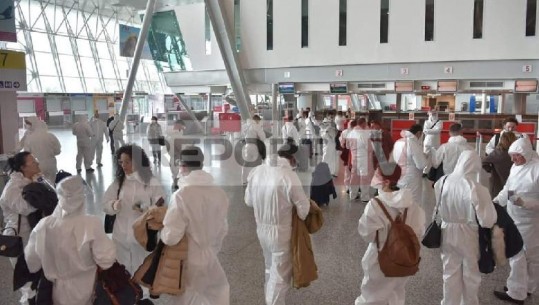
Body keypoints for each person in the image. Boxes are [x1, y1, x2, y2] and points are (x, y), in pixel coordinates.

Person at [24, 176, 116, 305]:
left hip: (57, 290)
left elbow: (32, 263)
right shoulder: (91, 223)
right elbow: (106, 261)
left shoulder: (43, 225)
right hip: (88, 287)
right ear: (82, 198)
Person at [161, 146, 230, 305]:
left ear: (183, 166)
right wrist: (211, 247)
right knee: (214, 294)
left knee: (188, 298)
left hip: (187, 259)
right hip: (210, 254)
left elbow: (171, 237)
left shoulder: (181, 196)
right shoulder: (219, 193)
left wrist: (162, 231)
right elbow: (223, 229)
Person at [245, 144, 310, 305]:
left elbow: (248, 201)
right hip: (282, 233)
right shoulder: (289, 176)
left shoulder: (257, 171)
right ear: (292, 158)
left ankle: (269, 296)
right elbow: (304, 210)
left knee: (269, 267)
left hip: (261, 230)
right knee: (280, 275)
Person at [355, 162, 425, 305]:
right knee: (396, 294)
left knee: (371, 296)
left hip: (379, 259)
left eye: (377, 175)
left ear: (385, 181)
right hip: (404, 260)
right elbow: (419, 231)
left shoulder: (375, 205)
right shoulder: (412, 204)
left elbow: (366, 233)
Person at [434, 150, 497, 305]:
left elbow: (437, 208)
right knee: (471, 275)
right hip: (469, 234)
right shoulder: (476, 187)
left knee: (449, 272)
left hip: (447, 231)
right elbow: (487, 221)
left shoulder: (442, 181)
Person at [103, 145, 165, 275]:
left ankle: (143, 292)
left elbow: (161, 207)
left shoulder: (151, 182)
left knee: (142, 264)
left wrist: (146, 209)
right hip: (121, 233)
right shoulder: (119, 182)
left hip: (142, 234)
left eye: (127, 161)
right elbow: (105, 204)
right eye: (121, 162)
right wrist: (113, 206)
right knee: (122, 265)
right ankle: (127, 292)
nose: (123, 166)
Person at [492, 138, 539, 304]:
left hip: (530, 221)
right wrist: (497, 201)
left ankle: (517, 293)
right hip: (514, 217)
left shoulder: (537, 169)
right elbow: (508, 188)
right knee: (521, 255)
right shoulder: (515, 166)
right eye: (512, 156)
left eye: (516, 156)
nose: (513, 160)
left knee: (524, 256)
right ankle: (523, 287)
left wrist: (524, 203)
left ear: (526, 153)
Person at [0, 152, 41, 304]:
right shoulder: (12, 189)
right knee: (26, 280)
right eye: (33, 162)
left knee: (36, 275)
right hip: (18, 238)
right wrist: (39, 191)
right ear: (23, 168)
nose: (37, 163)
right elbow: (27, 208)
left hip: (33, 234)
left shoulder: (32, 179)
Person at [391, 124, 427, 205]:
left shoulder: (398, 141)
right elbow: (421, 164)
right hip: (411, 177)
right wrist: (426, 158)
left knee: (401, 199)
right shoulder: (412, 143)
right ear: (418, 133)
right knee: (413, 202)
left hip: (399, 175)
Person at [18, 117, 61, 184]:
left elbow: (27, 153)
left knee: (40, 185)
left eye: (28, 124)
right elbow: (58, 151)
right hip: (51, 164)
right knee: (51, 184)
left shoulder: (29, 138)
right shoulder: (51, 136)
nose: (27, 126)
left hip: (37, 166)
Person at [482, 131, 518, 198]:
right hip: (513, 183)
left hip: (498, 183)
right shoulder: (515, 153)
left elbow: (484, 162)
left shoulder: (497, 153)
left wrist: (491, 170)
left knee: (498, 203)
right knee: (511, 201)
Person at [348, 118, 374, 202]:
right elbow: (369, 148)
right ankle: (364, 197)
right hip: (363, 159)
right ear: (363, 124)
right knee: (364, 178)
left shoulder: (351, 133)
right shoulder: (363, 134)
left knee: (354, 177)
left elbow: (347, 146)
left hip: (354, 158)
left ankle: (353, 195)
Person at [241, 115, 266, 184]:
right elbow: (263, 137)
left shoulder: (245, 126)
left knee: (246, 163)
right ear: (257, 120)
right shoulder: (256, 126)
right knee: (258, 162)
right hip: (255, 146)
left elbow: (242, 134)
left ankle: (244, 180)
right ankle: (258, 180)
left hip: (247, 146)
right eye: (259, 121)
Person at [166, 120, 187, 189]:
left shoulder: (169, 135)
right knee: (178, 175)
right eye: (183, 127)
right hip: (178, 158)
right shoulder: (176, 136)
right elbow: (182, 149)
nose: (184, 129)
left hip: (173, 158)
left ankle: (175, 186)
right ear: (179, 126)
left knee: (175, 174)